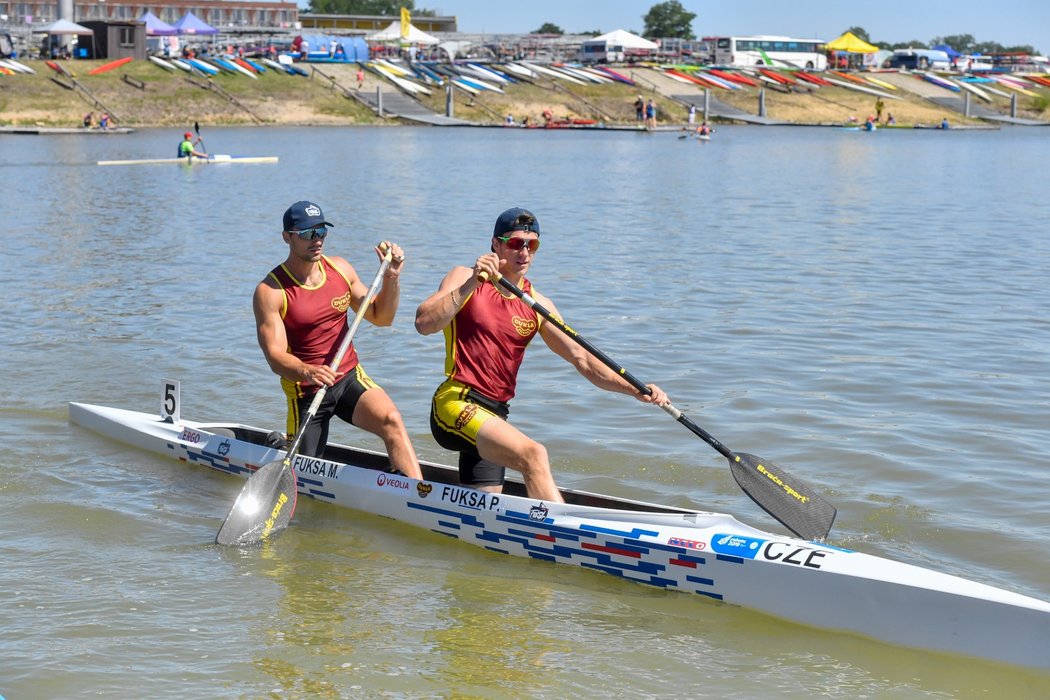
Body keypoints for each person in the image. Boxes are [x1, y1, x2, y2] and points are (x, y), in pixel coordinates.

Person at [414, 207, 669, 503]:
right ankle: (565, 536)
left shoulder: (537, 305)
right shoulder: (463, 276)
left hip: (495, 415)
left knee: (483, 506)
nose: (524, 252)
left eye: (532, 245)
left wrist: (636, 390)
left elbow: (583, 359)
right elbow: (424, 323)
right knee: (534, 455)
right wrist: (474, 281)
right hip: (456, 403)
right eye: (515, 243)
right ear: (496, 244)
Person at [254, 200, 423, 479]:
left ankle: (420, 497)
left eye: (321, 232)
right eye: (308, 234)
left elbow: (382, 317)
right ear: (287, 237)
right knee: (303, 476)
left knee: (391, 420)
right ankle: (280, 445)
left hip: (347, 378)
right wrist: (308, 370)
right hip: (307, 391)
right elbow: (275, 356)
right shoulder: (271, 290)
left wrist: (391, 278)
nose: (317, 240)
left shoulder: (341, 270)